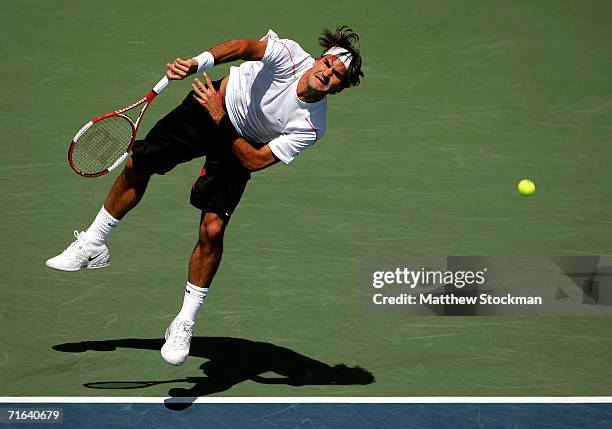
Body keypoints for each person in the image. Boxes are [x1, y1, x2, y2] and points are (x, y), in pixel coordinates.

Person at [46, 26, 364, 366]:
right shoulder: (288, 55)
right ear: (319, 59)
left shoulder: (311, 126)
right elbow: (241, 47)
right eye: (327, 64)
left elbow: (254, 161)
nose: (326, 74)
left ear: (340, 89)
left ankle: (184, 322)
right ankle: (94, 243)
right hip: (206, 109)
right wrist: (196, 64)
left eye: (336, 77)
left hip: (240, 145)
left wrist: (222, 118)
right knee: (138, 165)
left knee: (212, 231)